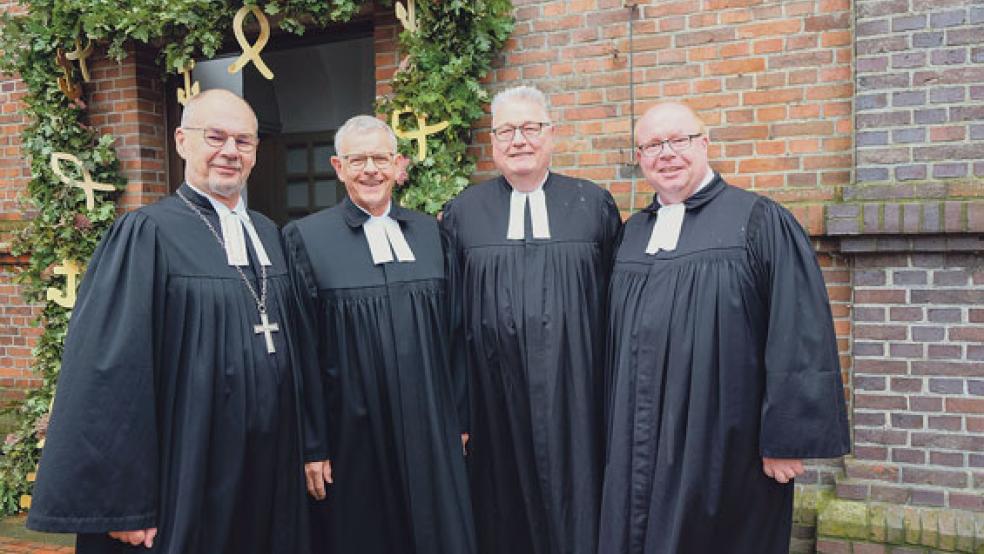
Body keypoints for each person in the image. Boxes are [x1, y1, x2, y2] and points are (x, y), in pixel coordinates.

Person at [26, 89, 308, 554]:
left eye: (244, 141)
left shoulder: (269, 234)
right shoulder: (146, 234)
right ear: (181, 141)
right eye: (215, 137)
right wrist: (124, 504)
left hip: (267, 470)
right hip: (188, 468)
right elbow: (110, 372)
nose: (230, 152)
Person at [598, 102, 850, 554]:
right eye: (653, 145)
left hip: (723, 442)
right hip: (639, 440)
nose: (667, 153)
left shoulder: (758, 221)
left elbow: (797, 331)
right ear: (640, 157)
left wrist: (785, 439)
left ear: (706, 143)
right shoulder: (633, 233)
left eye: (680, 140)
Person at [441, 85, 622, 554]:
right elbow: (453, 317)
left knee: (578, 499)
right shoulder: (463, 213)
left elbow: (616, 304)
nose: (519, 140)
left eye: (530, 128)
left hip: (578, 393)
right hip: (493, 396)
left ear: (552, 135)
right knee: (501, 506)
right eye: (506, 130)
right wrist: (459, 408)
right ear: (493, 140)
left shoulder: (593, 204)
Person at [285, 115, 475, 554]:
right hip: (351, 431)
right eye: (357, 159)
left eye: (380, 158)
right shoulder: (305, 239)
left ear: (398, 164)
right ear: (337, 166)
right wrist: (312, 444)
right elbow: (301, 349)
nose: (370, 169)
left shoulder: (432, 234)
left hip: (430, 425)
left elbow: (456, 331)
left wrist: (460, 419)